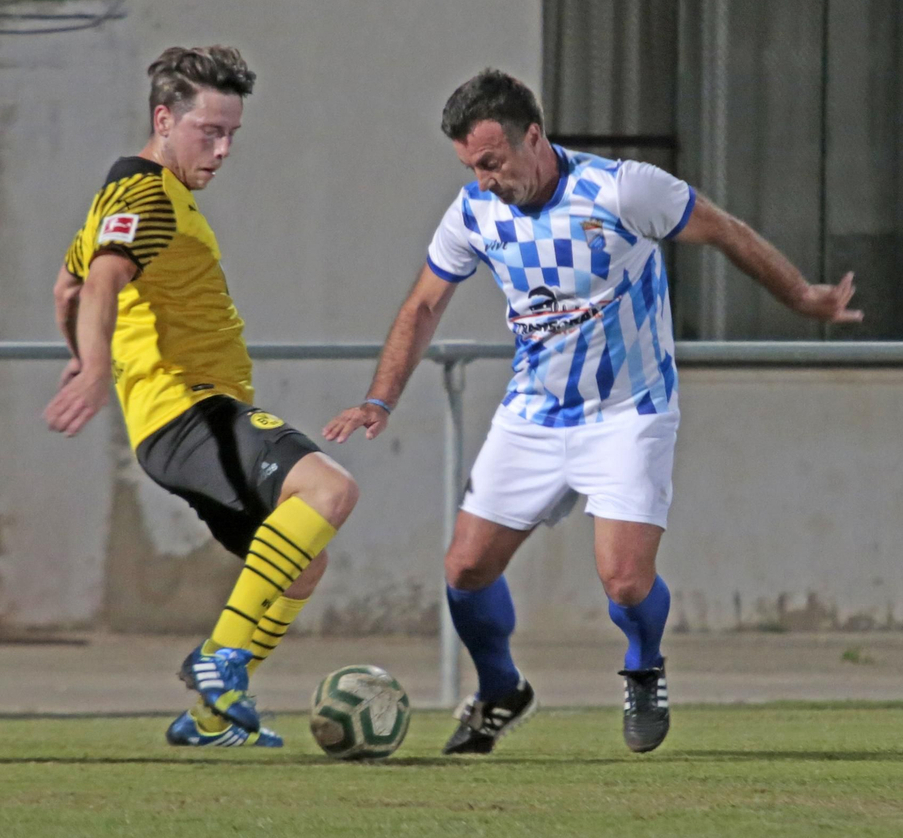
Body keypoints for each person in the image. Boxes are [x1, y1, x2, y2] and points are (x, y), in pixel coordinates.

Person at [325, 69, 860, 755]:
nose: (484, 179)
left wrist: (802, 299)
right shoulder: (472, 213)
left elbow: (726, 231)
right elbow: (424, 304)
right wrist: (381, 397)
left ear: (534, 138)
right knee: (464, 571)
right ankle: (500, 691)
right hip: (535, 414)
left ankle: (643, 667)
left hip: (629, 412)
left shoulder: (621, 189)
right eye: (471, 166)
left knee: (625, 578)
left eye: (492, 162)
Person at [46, 45, 358, 748]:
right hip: (192, 411)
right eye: (207, 132)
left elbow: (68, 285)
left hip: (177, 424)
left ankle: (212, 720)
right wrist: (96, 367)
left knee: (303, 566)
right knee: (330, 493)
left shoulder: (128, 197)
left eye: (231, 136)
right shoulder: (146, 193)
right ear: (164, 118)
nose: (220, 151)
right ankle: (219, 658)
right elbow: (100, 281)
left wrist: (84, 353)